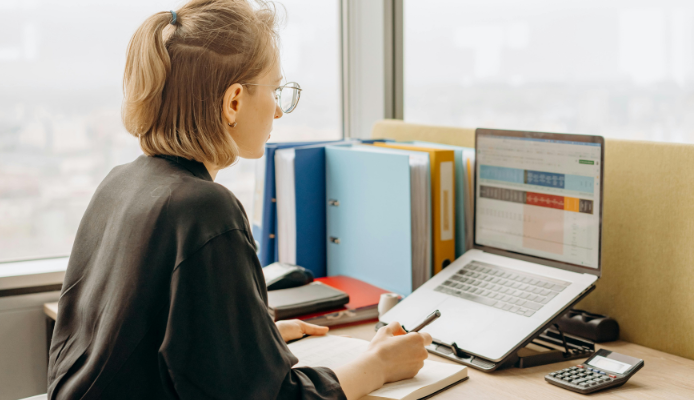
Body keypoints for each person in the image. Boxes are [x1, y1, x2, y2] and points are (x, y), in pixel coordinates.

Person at [46, 1, 431, 399]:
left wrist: (252, 341)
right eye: (275, 90)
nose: (278, 111)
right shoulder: (204, 208)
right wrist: (379, 365)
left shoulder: (120, 183)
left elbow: (142, 346)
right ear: (233, 102)